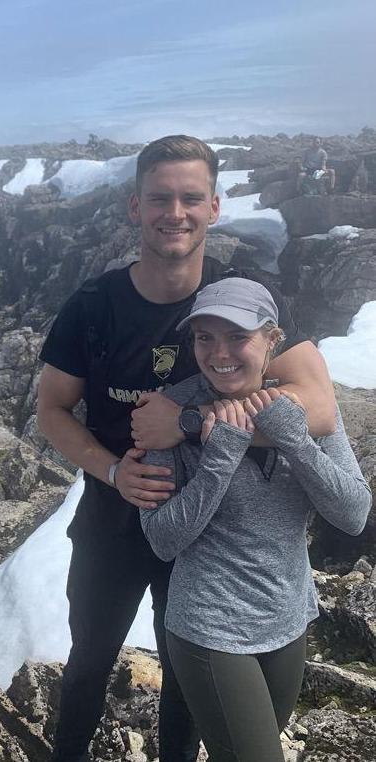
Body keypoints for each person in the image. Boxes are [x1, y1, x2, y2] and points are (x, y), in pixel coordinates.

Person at [36, 134, 338, 762]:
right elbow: (52, 409)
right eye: (160, 198)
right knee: (89, 657)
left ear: (215, 207)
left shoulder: (244, 299)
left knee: (186, 676)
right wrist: (114, 470)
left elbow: (319, 406)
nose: (175, 212)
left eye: (191, 198)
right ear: (134, 207)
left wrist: (193, 423)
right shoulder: (93, 307)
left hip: (208, 527)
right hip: (113, 516)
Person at [138, 278, 371, 762]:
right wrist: (218, 458)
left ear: (272, 340)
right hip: (209, 628)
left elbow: (353, 514)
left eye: (237, 337)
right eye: (205, 337)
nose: (219, 353)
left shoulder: (306, 408)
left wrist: (297, 443)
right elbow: (162, 539)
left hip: (288, 618)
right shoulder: (170, 414)